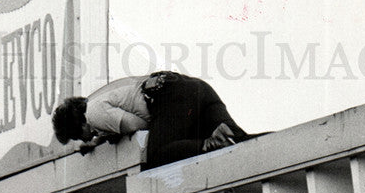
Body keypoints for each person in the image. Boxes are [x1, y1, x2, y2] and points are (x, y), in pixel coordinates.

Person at [51, 71, 252, 168]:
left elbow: (138, 126)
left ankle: (211, 143)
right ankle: (222, 136)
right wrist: (101, 139)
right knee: (242, 140)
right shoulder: (99, 100)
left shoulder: (93, 112)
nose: (85, 139)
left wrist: (113, 133)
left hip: (172, 98)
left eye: (79, 136)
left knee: (156, 155)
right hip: (196, 89)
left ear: (80, 124)